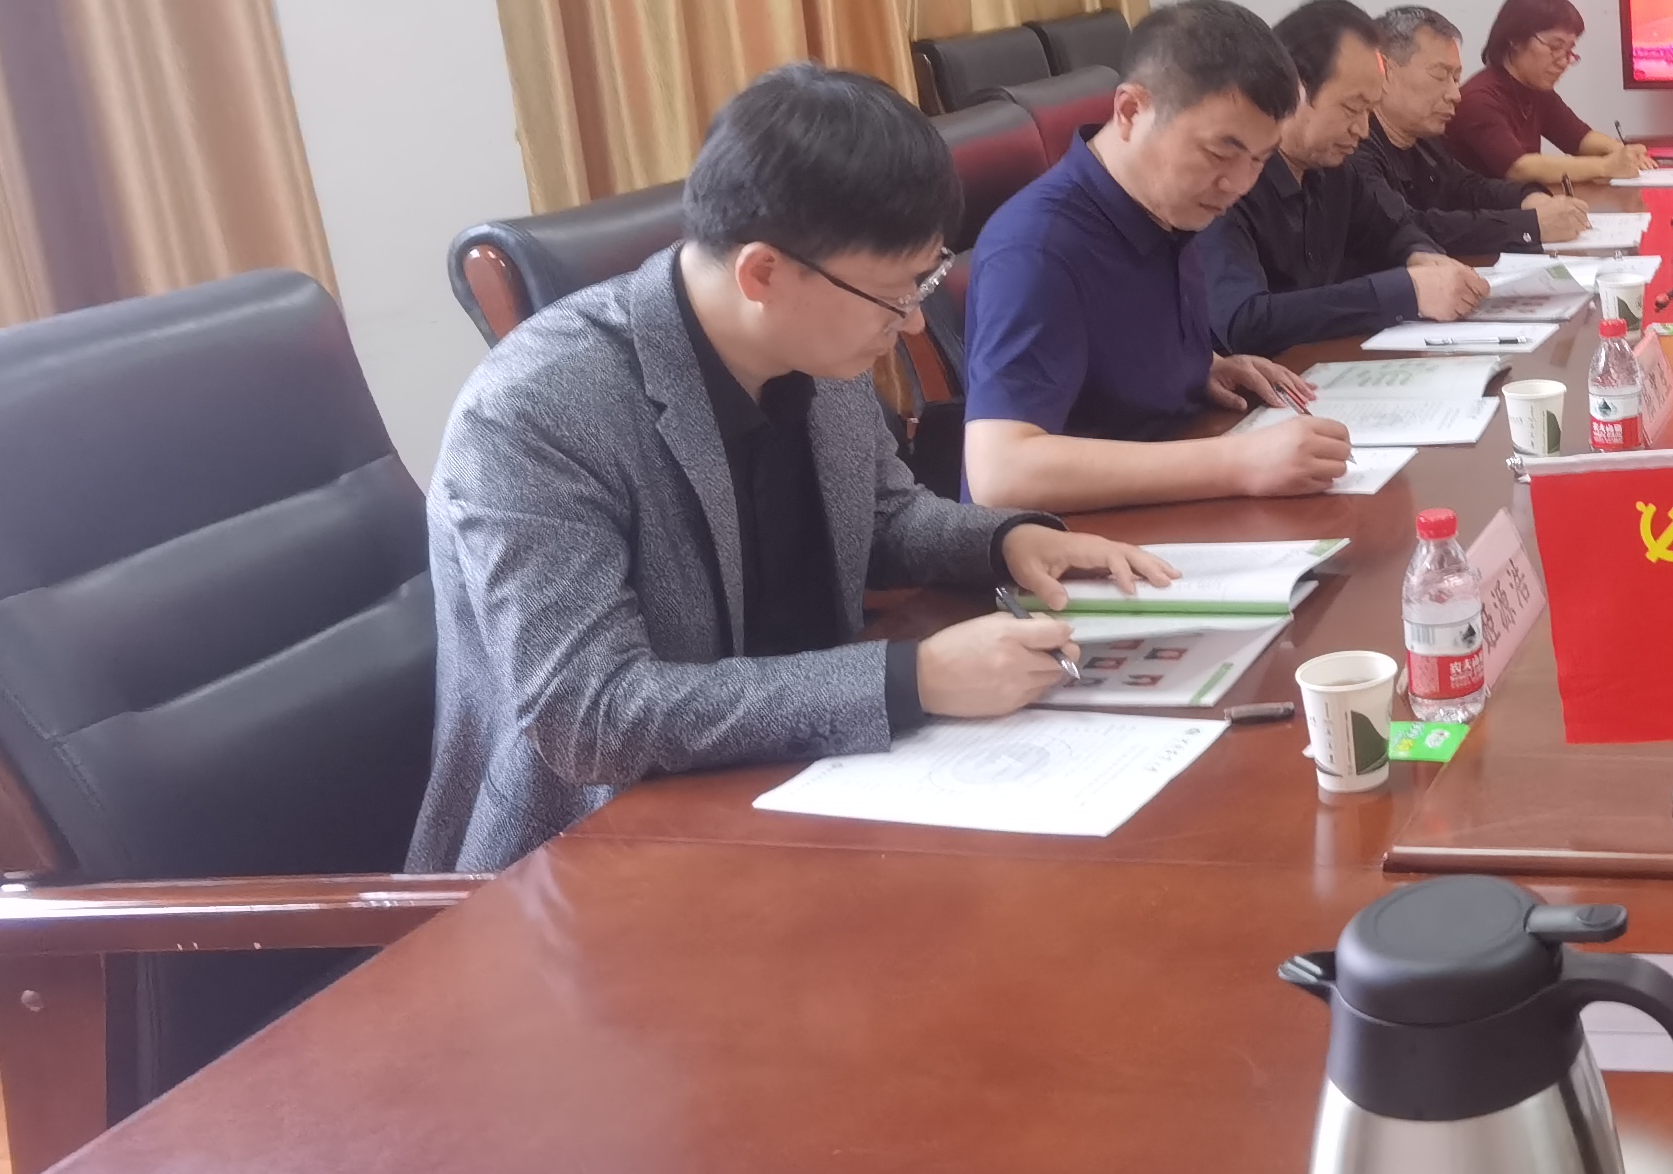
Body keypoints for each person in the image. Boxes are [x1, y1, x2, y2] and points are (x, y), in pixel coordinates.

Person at [412, 64, 1169, 873]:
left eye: (922, 282)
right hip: (605, 852)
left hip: (818, 784)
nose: (915, 322)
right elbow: (590, 716)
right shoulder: (532, 410)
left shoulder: (817, 339)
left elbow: (881, 518)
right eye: (897, 293)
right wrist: (912, 679)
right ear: (763, 273)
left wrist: (1004, 543)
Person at [960, 0, 1357, 513]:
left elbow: (1107, 352)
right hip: (1071, 541)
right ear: (1131, 111)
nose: (1238, 184)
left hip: (1169, 502)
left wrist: (1197, 366)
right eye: (1220, 152)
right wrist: (1238, 461)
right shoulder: (1037, 249)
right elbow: (999, 472)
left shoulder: (1164, 204)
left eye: (1259, 160)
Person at [1206, 0, 1491, 352]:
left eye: (1369, 111)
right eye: (1352, 108)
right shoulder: (1227, 182)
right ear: (1294, 90)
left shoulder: (1335, 172)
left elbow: (1394, 229)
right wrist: (1406, 292)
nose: (1362, 129)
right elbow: (1243, 322)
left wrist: (1420, 256)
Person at [1357, 3, 1590, 256]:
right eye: (1440, 75)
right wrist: (1531, 226)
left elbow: (1469, 188)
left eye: (1456, 79)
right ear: (1386, 72)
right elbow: (1406, 228)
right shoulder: (1354, 146)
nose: (1455, 95)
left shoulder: (1424, 138)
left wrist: (1530, 198)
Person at [1451, 0, 1650, 184]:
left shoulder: (1535, 89)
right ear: (1515, 40)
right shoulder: (1479, 99)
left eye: (1569, 51)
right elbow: (1519, 168)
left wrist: (1621, 151)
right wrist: (1606, 166)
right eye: (1555, 47)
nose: (1563, 62)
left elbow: (1579, 138)